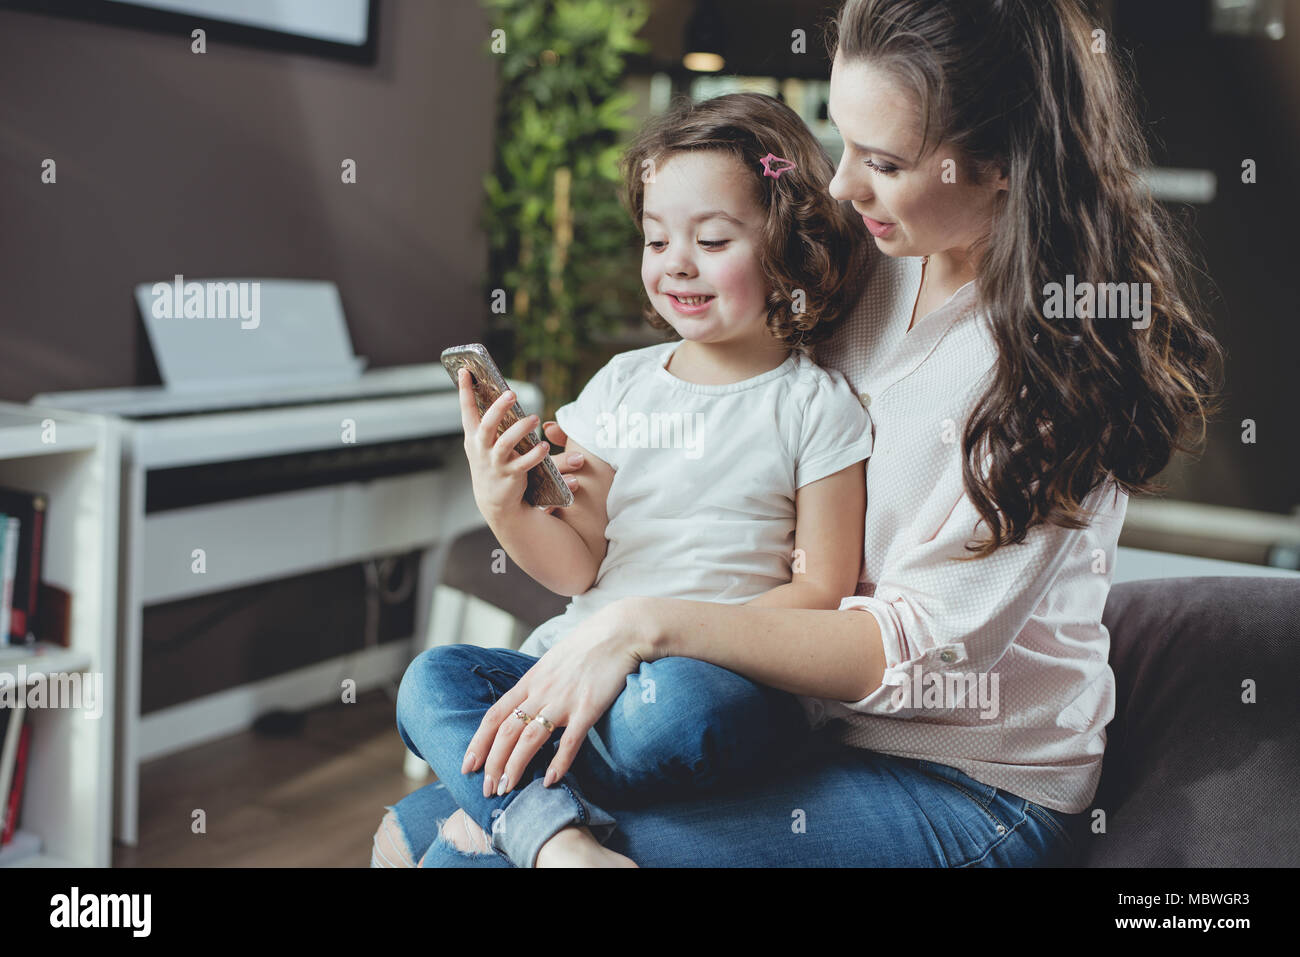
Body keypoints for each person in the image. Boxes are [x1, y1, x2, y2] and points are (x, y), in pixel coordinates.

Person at [374, 0, 1223, 868]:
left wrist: (645, 623)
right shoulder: (866, 261)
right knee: (416, 827)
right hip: (793, 718)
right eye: (843, 141)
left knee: (459, 855)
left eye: (885, 162)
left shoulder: (1059, 366)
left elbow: (906, 651)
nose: (847, 188)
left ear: (1003, 163)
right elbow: (739, 393)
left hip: (963, 778)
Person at [405, 92, 876, 868]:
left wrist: (668, 633)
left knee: (678, 711)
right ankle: (555, 840)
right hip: (583, 667)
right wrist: (502, 501)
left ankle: (503, 810)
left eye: (713, 238)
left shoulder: (816, 407)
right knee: (433, 678)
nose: (677, 263)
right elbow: (574, 562)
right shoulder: (622, 386)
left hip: (717, 681)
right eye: (657, 240)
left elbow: (823, 593)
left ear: (786, 245)